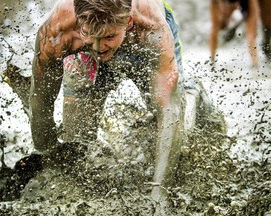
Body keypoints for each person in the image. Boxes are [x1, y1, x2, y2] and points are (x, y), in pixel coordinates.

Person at [30, 0, 185, 202]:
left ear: (128, 22)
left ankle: (193, 93)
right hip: (81, 51)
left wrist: (160, 194)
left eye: (108, 37)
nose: (99, 47)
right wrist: (47, 160)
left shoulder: (152, 27)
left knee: (177, 128)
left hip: (138, 44)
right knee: (76, 142)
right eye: (92, 36)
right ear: (79, 22)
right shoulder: (57, 30)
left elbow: (169, 109)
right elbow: (40, 103)